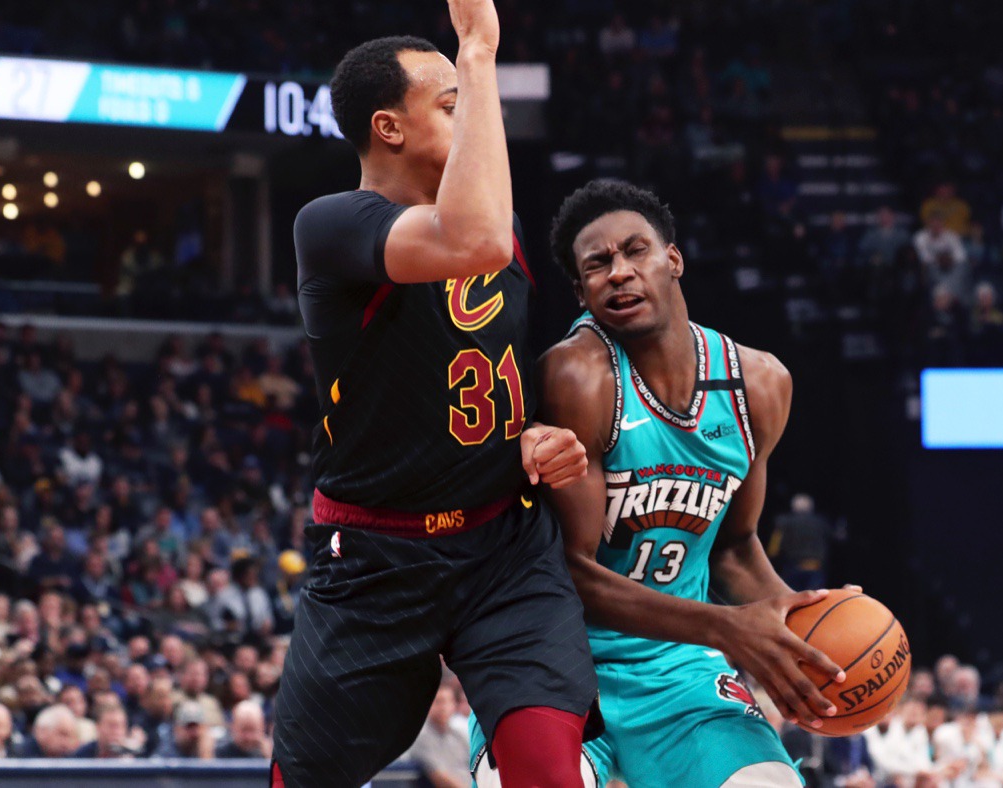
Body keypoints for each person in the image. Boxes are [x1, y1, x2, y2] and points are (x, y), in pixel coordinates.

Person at [272, 3, 599, 786]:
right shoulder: (333, 225)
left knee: (550, 771)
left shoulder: (500, 219)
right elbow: (471, 240)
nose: (473, 110)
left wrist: (539, 431)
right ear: (389, 128)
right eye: (450, 103)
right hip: (379, 558)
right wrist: (478, 49)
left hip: (503, 546)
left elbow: (501, 362)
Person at [472, 180, 851, 788]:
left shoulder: (760, 384)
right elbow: (571, 571)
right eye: (598, 265)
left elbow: (732, 546)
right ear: (581, 291)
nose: (619, 273)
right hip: (555, 658)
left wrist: (804, 637)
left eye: (635, 251)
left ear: (673, 259)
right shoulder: (579, 376)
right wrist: (730, 627)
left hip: (678, 669)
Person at [411, 682, 472, 788]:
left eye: (448, 701)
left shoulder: (458, 734)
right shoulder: (421, 737)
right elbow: (439, 777)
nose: (443, 707)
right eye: (438, 702)